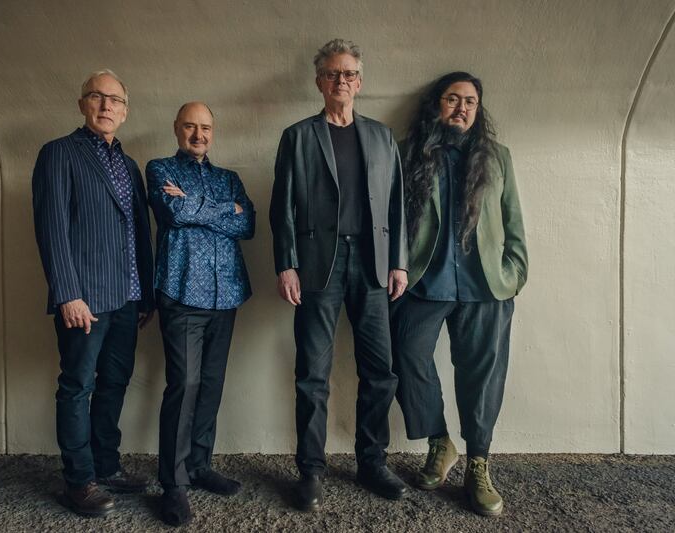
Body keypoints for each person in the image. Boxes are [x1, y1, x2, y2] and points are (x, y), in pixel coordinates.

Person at [270, 39, 409, 512]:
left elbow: (397, 205)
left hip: (372, 265)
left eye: (349, 74)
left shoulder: (381, 136)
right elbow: (282, 206)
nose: (341, 81)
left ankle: (372, 462)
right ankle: (310, 470)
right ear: (319, 82)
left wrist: (399, 261)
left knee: (380, 371)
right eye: (332, 73)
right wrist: (285, 263)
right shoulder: (298, 136)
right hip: (317, 267)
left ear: (360, 82)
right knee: (312, 373)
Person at [391, 71, 528, 517]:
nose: (462, 107)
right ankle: (439, 441)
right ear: (437, 104)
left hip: (485, 285)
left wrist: (514, 273)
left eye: (470, 101)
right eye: (453, 99)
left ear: (478, 108)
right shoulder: (410, 153)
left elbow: (513, 223)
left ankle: (479, 463)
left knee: (482, 375)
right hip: (424, 282)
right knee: (406, 354)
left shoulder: (498, 157)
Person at [32, 69, 155, 517]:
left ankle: (107, 466)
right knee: (77, 386)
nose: (106, 106)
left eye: (115, 100)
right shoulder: (58, 154)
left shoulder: (129, 165)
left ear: (125, 111)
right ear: (83, 104)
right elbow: (52, 230)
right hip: (83, 300)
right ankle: (79, 481)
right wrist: (68, 293)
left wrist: (147, 296)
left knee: (115, 384)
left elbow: (140, 233)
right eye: (97, 97)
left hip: (127, 298)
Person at [146, 102, 255, 526]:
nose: (198, 134)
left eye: (205, 127)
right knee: (184, 383)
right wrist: (225, 210)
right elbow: (173, 214)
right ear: (176, 128)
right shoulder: (159, 170)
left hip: (226, 294)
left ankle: (199, 465)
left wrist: (200, 205)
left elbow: (248, 225)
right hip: (180, 291)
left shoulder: (230, 178)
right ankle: (173, 484)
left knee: (210, 382)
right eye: (190, 126)